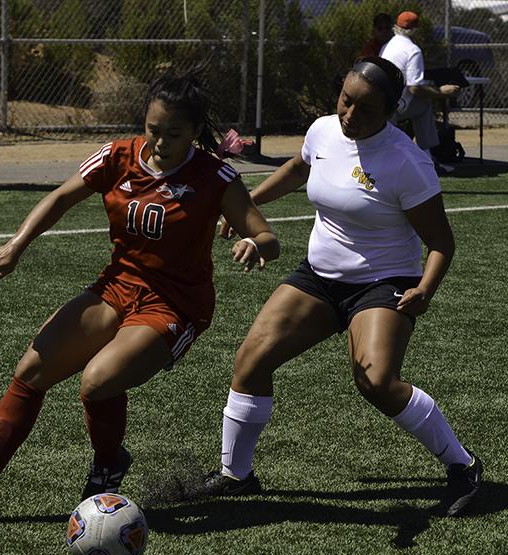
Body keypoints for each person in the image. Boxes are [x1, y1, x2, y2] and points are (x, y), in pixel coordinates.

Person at [0, 75, 280, 519]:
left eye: (175, 134)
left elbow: (266, 235)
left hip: (175, 304)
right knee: (31, 369)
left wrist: (254, 244)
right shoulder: (118, 155)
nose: (161, 141)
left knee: (97, 381)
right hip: (116, 286)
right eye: (153, 129)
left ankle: (108, 462)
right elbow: (61, 198)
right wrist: (16, 245)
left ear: (195, 130)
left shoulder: (215, 176)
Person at [206, 57, 482, 517]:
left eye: (366, 110)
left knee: (375, 381)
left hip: (384, 282)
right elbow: (299, 168)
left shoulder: (406, 163)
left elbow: (441, 243)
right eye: (346, 101)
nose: (350, 115)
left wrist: (425, 290)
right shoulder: (323, 130)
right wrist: (246, 203)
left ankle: (463, 466)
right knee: (251, 360)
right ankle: (236, 475)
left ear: (391, 112)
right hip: (318, 276)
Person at [379, 11, 460, 168]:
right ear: (415, 29)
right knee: (424, 105)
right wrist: (442, 92)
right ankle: (428, 155)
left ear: (397, 26)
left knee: (420, 103)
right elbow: (415, 88)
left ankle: (426, 155)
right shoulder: (413, 50)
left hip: (382, 101)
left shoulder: (386, 46)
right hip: (396, 106)